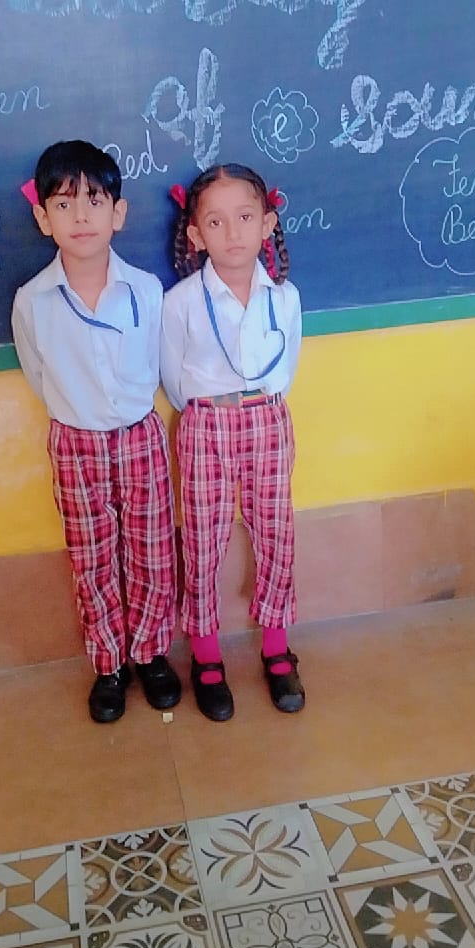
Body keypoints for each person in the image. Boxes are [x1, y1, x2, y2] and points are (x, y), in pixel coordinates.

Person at [12, 140, 180, 723]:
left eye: (94, 200)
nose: (80, 216)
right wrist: (80, 412)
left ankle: (151, 653)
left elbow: (158, 362)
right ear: (43, 218)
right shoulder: (33, 301)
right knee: (92, 558)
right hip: (75, 442)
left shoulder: (146, 290)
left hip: (140, 437)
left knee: (152, 552)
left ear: (118, 212)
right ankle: (108, 664)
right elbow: (38, 374)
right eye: (63, 204)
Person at [160, 163, 304, 722]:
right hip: (206, 425)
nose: (232, 232)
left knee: (276, 530)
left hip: (267, 419)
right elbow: (173, 376)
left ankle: (276, 645)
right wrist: (209, 409)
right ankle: (205, 652)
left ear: (267, 223)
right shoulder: (182, 301)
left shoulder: (284, 298)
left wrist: (257, 403)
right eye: (215, 222)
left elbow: (286, 366)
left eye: (245, 217)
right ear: (196, 235)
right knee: (203, 538)